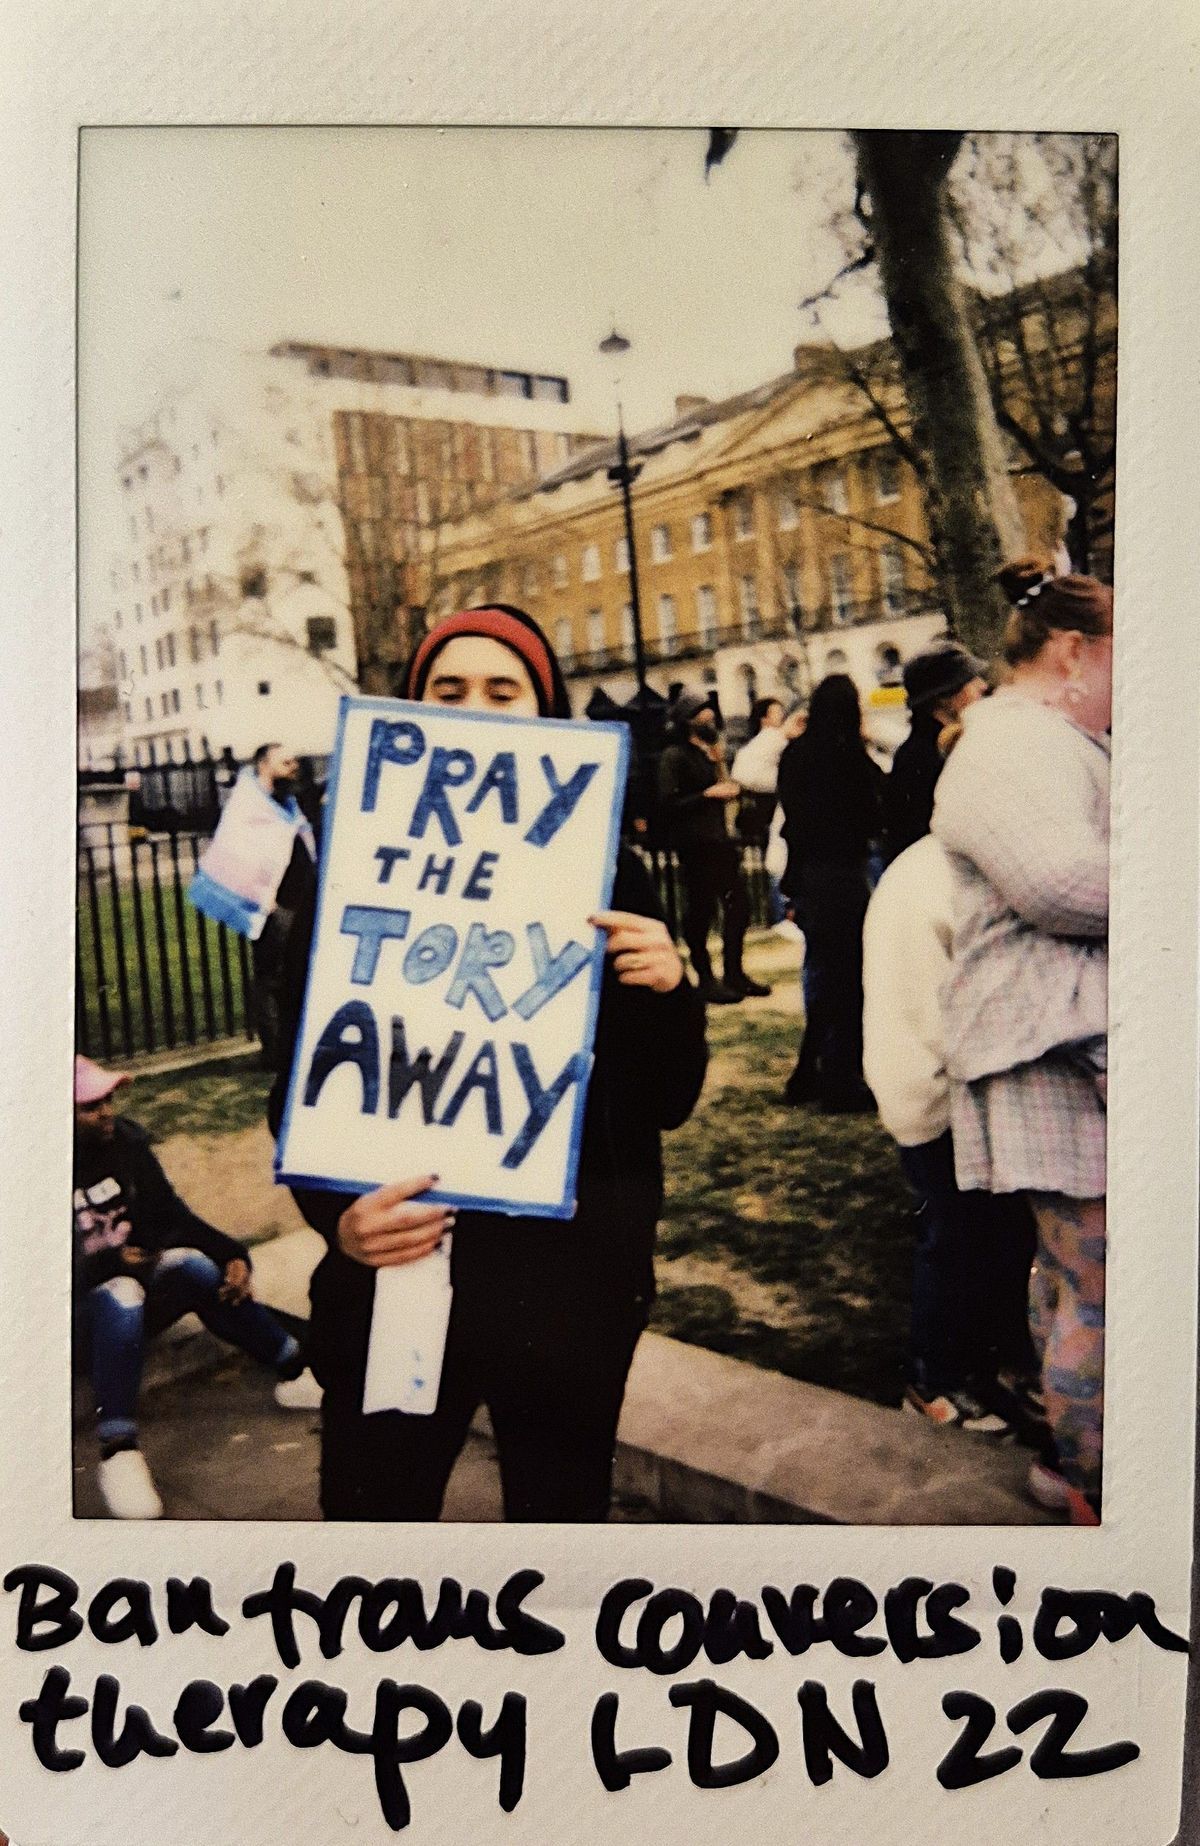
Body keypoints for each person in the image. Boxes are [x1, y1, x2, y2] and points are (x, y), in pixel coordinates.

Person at [269, 605, 709, 1522]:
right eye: (449, 689)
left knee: (558, 1521)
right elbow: (300, 1091)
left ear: (543, 713)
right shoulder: (352, 871)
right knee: (376, 1525)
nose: (476, 707)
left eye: (503, 691)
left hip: (567, 1286)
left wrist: (670, 993)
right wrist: (341, 1224)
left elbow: (664, 1101)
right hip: (403, 1273)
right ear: (416, 706)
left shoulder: (607, 873)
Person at [931, 559, 1112, 1525]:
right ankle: (1089, 1479)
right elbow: (1062, 885)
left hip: (1055, 1047)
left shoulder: (1037, 741)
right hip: (1048, 1051)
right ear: (1076, 652)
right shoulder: (1013, 746)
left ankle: (1074, 1461)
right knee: (1099, 1281)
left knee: (1078, 1278)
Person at [863, 772, 1040, 1445]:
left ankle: (980, 1363)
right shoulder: (938, 874)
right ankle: (932, 1380)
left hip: (937, 1081)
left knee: (988, 1234)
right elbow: (940, 1004)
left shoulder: (937, 863)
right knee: (956, 1236)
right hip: (937, 1091)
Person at [73, 1055, 321, 1520]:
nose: (106, 1111)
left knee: (192, 1264)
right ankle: (118, 1450)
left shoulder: (124, 1146)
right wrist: (106, 1264)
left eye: (107, 1099)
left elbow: (173, 1218)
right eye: (88, 1106)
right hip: (73, 1324)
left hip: (131, 1296)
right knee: (121, 1291)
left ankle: (294, 1369)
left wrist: (232, 1255)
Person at [777, 673, 883, 1111]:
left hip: (808, 877)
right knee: (848, 981)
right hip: (843, 875)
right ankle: (838, 1079)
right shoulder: (851, 758)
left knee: (825, 979)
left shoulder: (796, 755)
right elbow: (878, 807)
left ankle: (807, 1075)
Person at [188, 742, 317, 1068]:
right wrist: (263, 900)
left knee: (296, 976)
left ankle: (293, 1046)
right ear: (263, 764)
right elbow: (238, 852)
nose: (293, 766)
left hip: (298, 903)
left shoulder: (287, 805)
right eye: (285, 762)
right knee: (272, 979)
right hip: (274, 907)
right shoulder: (249, 804)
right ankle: (276, 1052)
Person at [657, 690, 769, 1004]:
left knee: (738, 907)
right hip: (695, 844)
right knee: (701, 911)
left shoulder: (709, 754)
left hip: (719, 840)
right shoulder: (674, 756)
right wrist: (707, 794)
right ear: (687, 722)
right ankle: (705, 977)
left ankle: (735, 972)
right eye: (700, 714)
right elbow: (668, 802)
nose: (708, 718)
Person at [880, 643, 987, 866]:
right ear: (944, 697)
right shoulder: (930, 757)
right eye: (969, 681)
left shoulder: (921, 751)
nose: (982, 686)